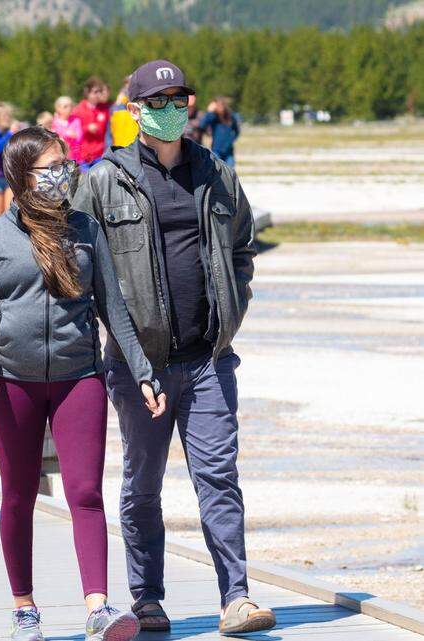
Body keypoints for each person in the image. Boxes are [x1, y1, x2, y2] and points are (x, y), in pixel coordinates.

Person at [71, 59, 272, 636]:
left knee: (219, 476)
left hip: (208, 358)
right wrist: (124, 357)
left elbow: (242, 246)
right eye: (158, 102)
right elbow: (86, 270)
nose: (171, 110)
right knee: (143, 483)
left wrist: (233, 308)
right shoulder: (104, 181)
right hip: (141, 366)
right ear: (134, 111)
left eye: (179, 100)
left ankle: (235, 598)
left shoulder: (215, 171)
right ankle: (148, 596)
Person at [0, 126, 163, 641]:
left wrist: (142, 370)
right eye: (48, 168)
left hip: (80, 378)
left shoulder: (86, 229)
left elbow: (113, 310)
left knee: (84, 491)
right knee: (18, 493)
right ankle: (25, 608)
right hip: (11, 384)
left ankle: (98, 607)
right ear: (19, 177)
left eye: (64, 165)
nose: (61, 175)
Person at [72, 77, 111, 170]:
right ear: (87, 93)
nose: (97, 95)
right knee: (84, 182)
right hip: (83, 155)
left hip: (99, 154)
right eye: (95, 92)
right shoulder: (78, 109)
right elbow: (72, 130)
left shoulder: (105, 109)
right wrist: (86, 128)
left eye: (99, 92)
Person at [199, 97, 241, 167]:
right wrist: (209, 111)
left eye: (221, 105)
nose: (219, 107)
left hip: (228, 151)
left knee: (230, 173)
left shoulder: (231, 117)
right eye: (217, 105)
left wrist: (231, 140)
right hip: (216, 150)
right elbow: (202, 125)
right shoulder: (213, 117)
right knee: (217, 173)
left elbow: (237, 131)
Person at [51, 96, 83, 165]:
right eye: (65, 106)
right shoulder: (54, 121)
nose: (69, 108)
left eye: (70, 106)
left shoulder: (76, 120)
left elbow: (79, 137)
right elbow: (54, 136)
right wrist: (67, 134)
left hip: (74, 157)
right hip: (59, 157)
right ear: (58, 108)